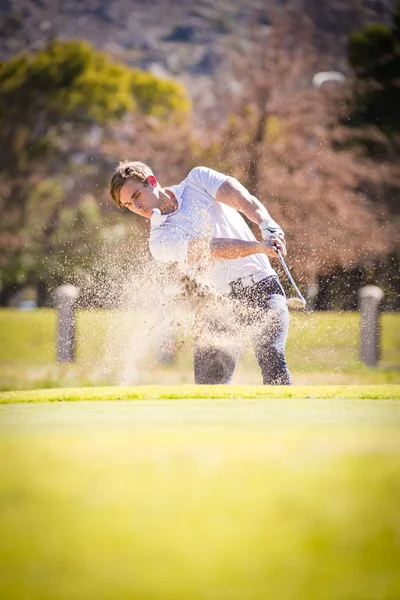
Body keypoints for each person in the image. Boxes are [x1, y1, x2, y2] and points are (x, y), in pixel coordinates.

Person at [109, 161, 292, 385]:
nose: (136, 206)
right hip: (217, 307)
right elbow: (209, 248)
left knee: (272, 355)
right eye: (128, 204)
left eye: (137, 195)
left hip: (263, 287)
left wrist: (266, 223)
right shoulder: (159, 241)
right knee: (208, 388)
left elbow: (242, 199)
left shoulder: (198, 180)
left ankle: (285, 418)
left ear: (152, 182)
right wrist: (257, 247)